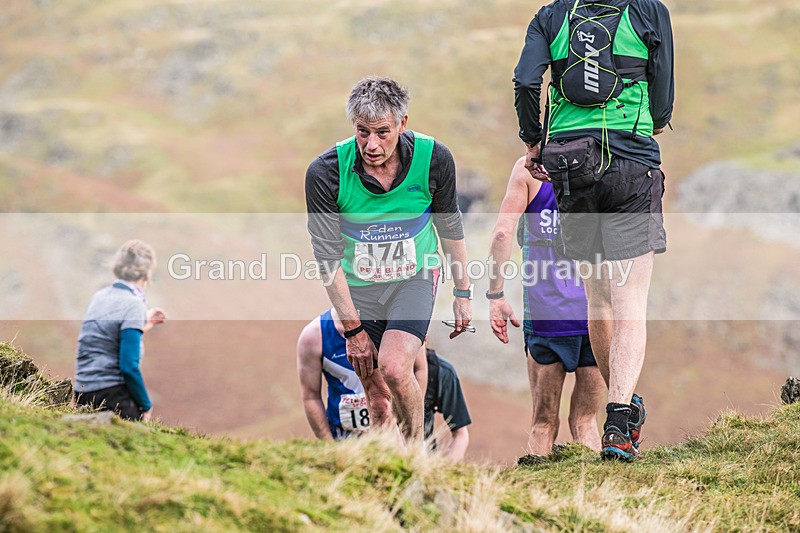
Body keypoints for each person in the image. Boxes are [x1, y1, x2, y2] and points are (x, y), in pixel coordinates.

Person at [513, 0, 671, 460]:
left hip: (569, 166)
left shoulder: (551, 15)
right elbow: (663, 93)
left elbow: (526, 80)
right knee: (629, 297)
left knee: (598, 296)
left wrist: (533, 142)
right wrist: (650, 124)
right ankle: (619, 419)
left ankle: (621, 411)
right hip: (632, 162)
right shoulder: (647, 10)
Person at [305, 77, 472, 444]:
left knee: (395, 369)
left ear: (402, 124)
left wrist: (463, 292)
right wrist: (352, 332)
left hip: (414, 277)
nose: (372, 144)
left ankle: (416, 455)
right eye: (362, 132)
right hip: (358, 287)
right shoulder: (326, 172)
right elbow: (327, 260)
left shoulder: (433, 159)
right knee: (377, 401)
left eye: (382, 132)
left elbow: (451, 228)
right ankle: (390, 468)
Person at [488, 157, 605, 458]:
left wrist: (495, 294)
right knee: (586, 419)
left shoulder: (528, 169)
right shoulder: (603, 159)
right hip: (597, 313)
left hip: (547, 315)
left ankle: (534, 496)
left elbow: (502, 233)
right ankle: (595, 497)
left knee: (543, 422)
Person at [297, 310, 472, 461]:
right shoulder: (314, 336)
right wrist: (331, 450)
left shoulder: (401, 328)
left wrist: (409, 430)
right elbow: (310, 396)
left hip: (399, 446)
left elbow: (420, 369)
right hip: (346, 446)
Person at [74, 240, 167, 421]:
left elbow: (107, 337)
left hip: (83, 392)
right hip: (112, 395)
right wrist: (145, 405)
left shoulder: (100, 297)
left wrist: (144, 322)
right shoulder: (133, 304)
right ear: (147, 273)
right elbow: (128, 367)